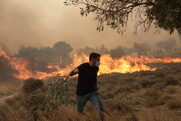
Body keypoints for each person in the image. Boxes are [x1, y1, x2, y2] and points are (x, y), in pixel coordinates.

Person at [68, 52, 104, 121]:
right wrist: (71, 73)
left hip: (93, 93)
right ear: (93, 59)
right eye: (98, 60)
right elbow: (74, 72)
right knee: (79, 111)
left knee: (100, 108)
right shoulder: (84, 66)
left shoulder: (96, 68)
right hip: (82, 94)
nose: (99, 62)